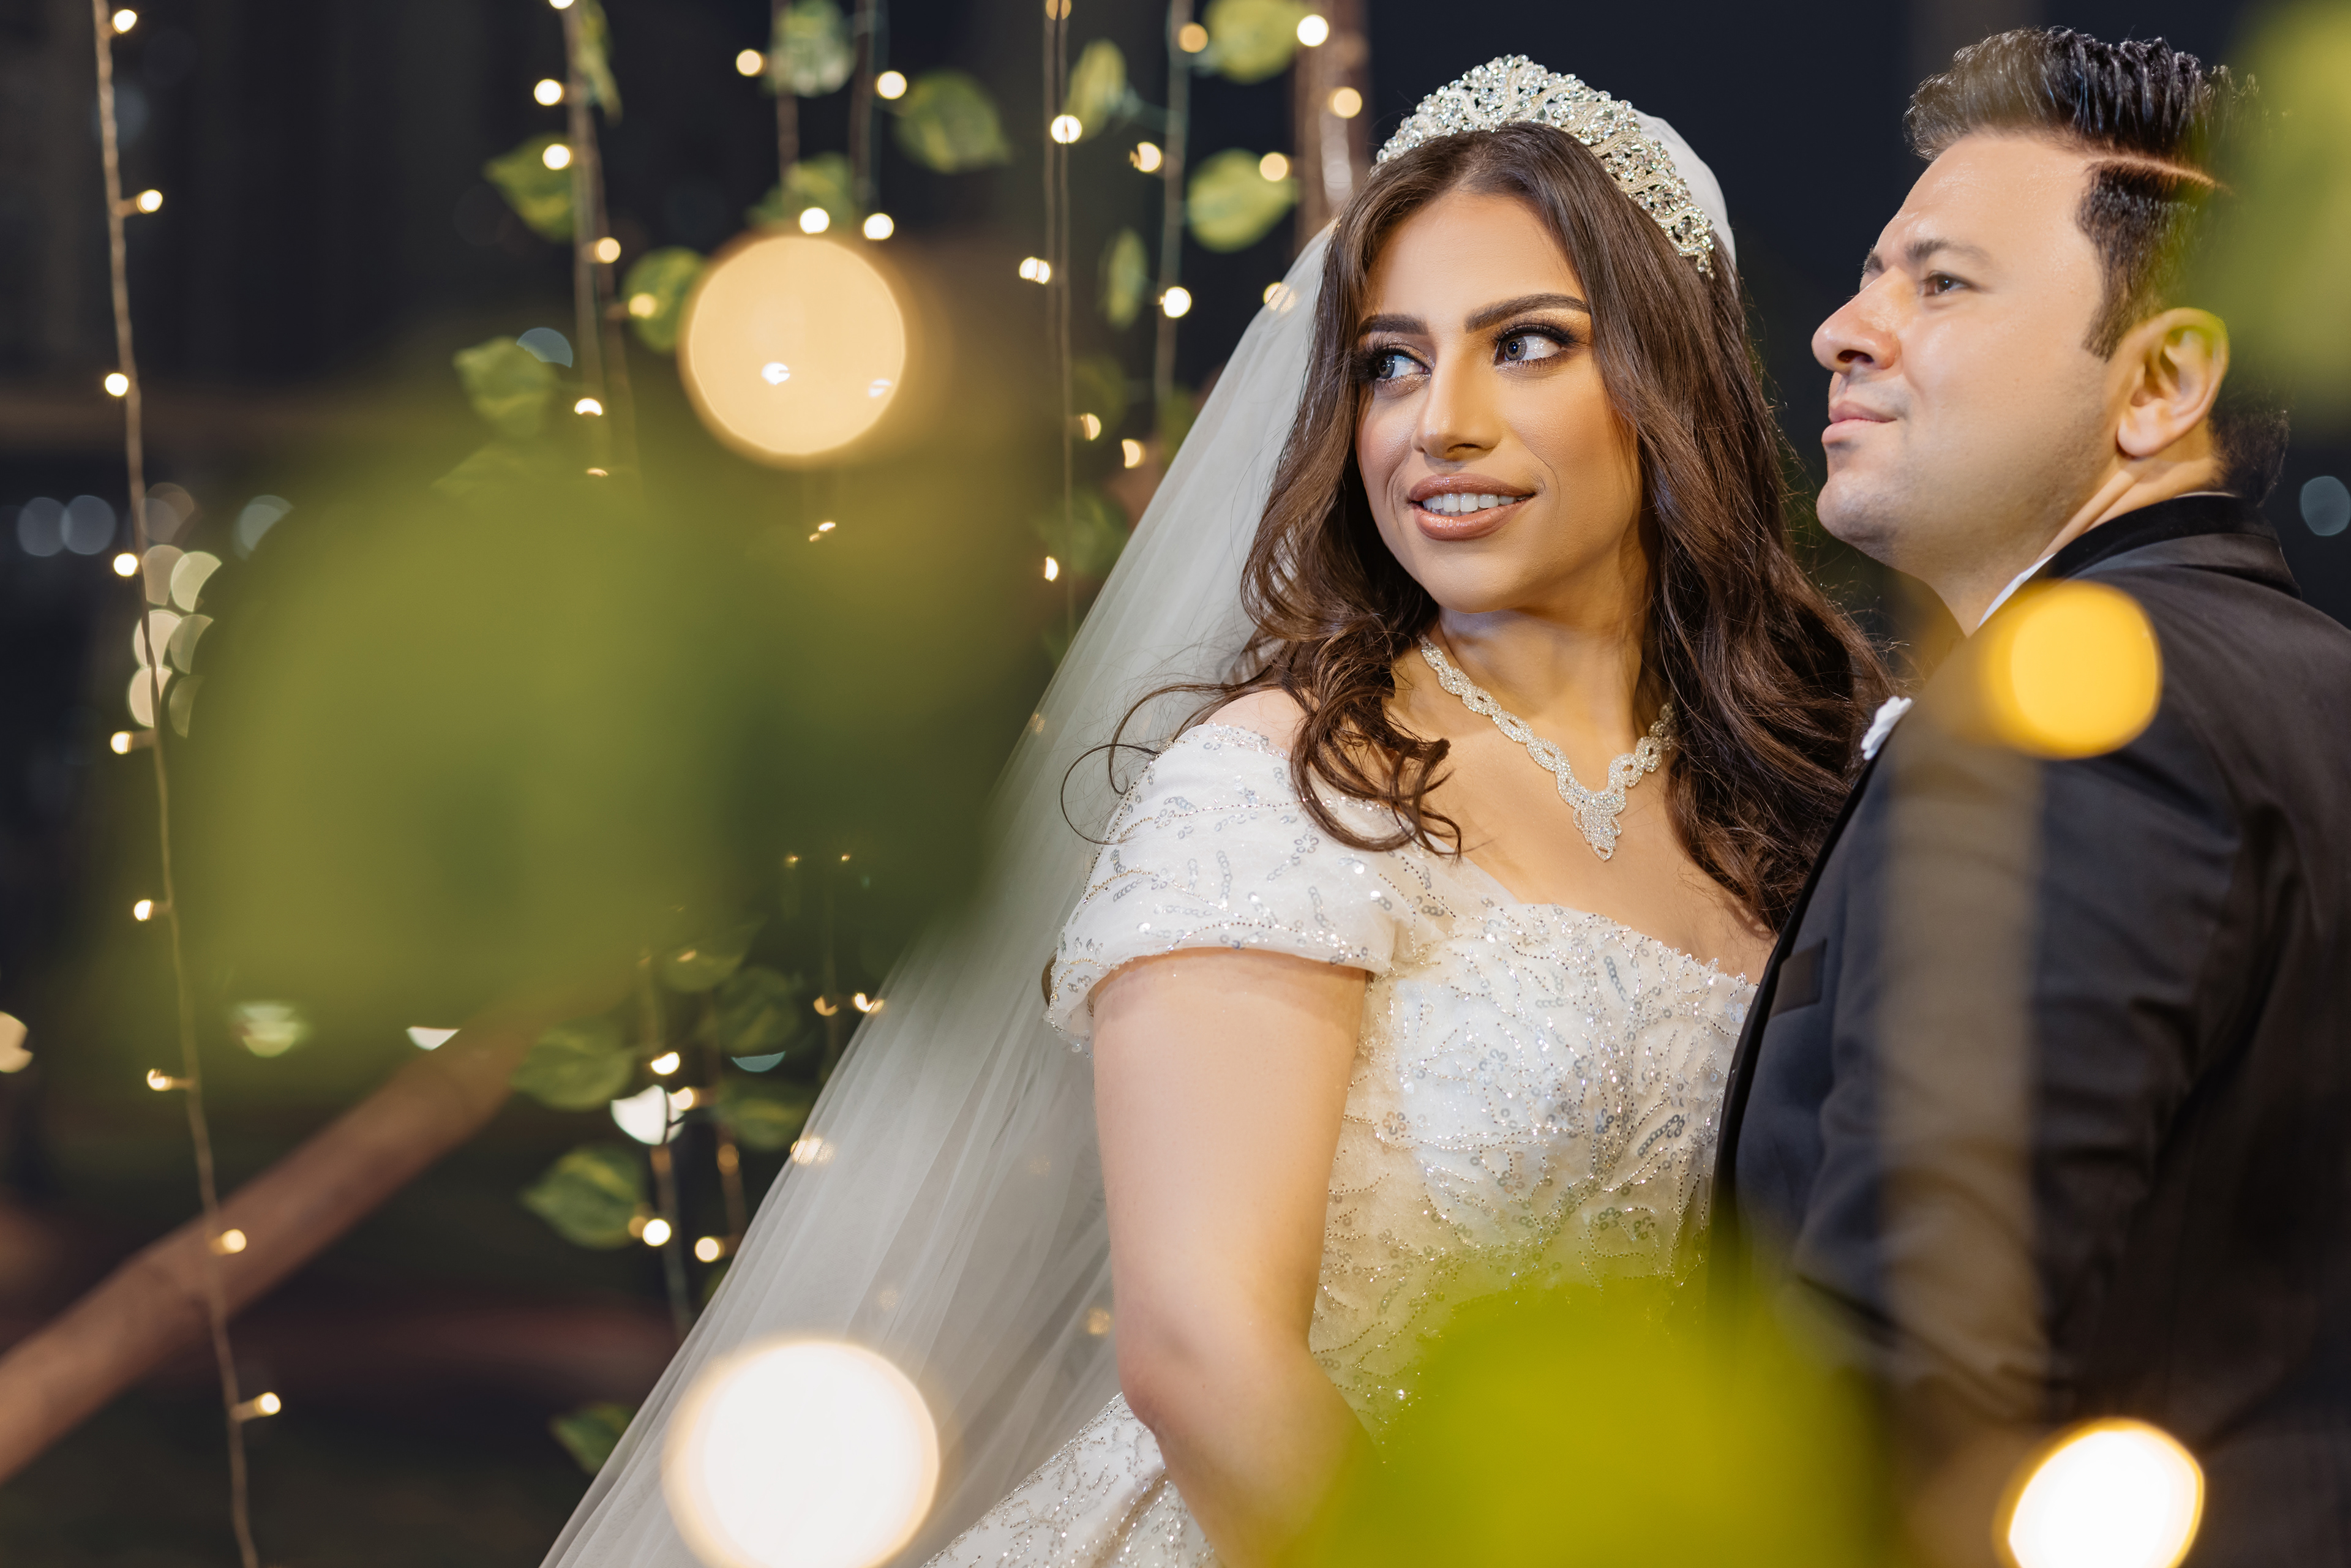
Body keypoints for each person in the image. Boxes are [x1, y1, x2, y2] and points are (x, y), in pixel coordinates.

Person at [546, 58, 1881, 1568]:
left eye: (1526, 346)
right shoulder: (1289, 785)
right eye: (1388, 361)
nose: (1437, 422)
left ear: (1671, 383)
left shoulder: (1794, 796)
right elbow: (1200, 1355)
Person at [1712, 29, 2351, 1568]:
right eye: (1872, 274)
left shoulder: (2076, 714)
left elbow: (1918, 1362)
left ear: (2162, 383)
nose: (1844, 331)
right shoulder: (2303, 678)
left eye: (1941, 282)